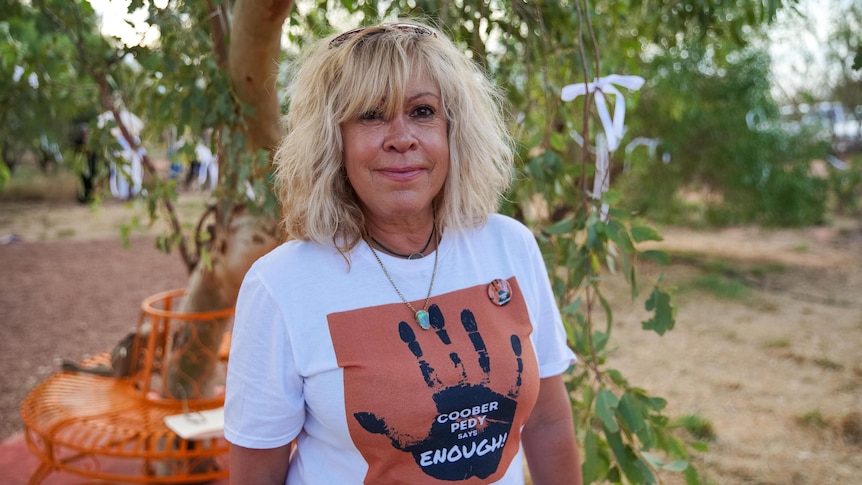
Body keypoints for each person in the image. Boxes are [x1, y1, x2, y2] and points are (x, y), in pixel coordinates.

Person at [225, 21, 582, 485]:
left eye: (422, 111)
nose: (401, 137)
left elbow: (548, 422)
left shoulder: (509, 246)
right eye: (371, 115)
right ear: (333, 140)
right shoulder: (280, 285)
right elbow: (257, 473)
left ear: (454, 129)